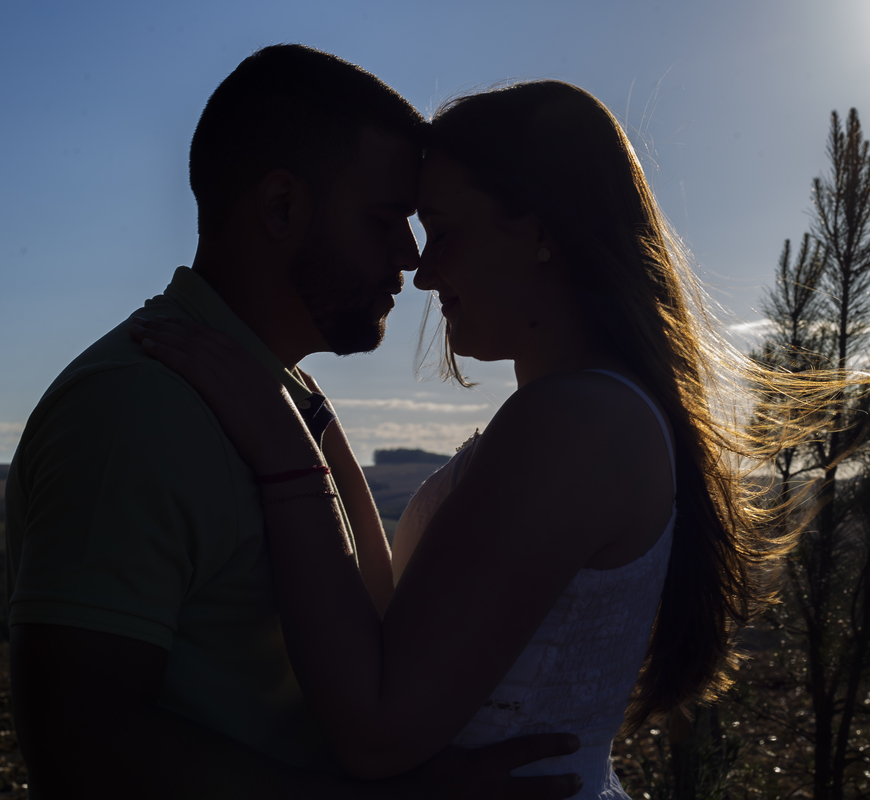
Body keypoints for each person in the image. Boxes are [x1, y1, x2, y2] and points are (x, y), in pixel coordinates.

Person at [129, 80, 806, 799]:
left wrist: (282, 450)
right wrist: (305, 414)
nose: (422, 272)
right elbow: (386, 628)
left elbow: (375, 732)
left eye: (443, 232)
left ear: (541, 232)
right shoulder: (585, 414)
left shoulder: (577, 421)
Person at [4, 46, 580, 799]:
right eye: (384, 220)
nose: (411, 259)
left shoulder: (275, 394)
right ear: (280, 206)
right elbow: (80, 745)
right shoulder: (135, 407)